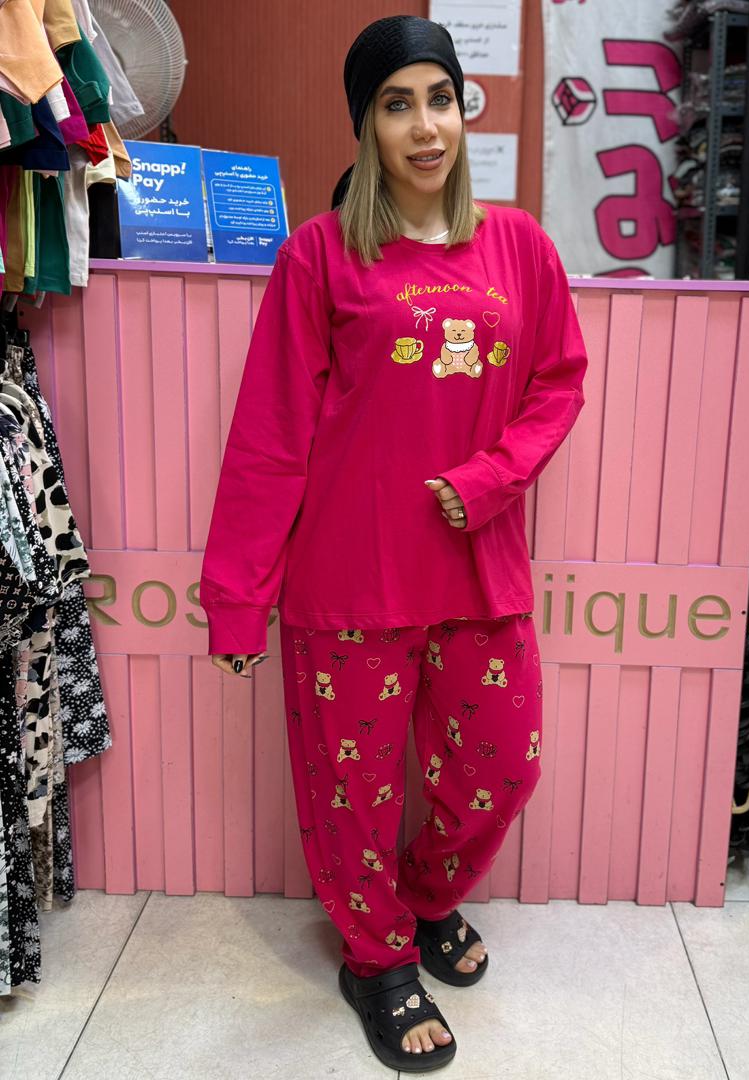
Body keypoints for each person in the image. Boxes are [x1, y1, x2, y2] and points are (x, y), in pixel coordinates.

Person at [200, 14, 588, 1074]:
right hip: (348, 581)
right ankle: (375, 959)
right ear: (365, 125)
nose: (426, 126)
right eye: (396, 104)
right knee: (352, 794)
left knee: (503, 766)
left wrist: (491, 479)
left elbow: (558, 382)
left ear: (464, 109)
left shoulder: (521, 247)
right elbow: (270, 437)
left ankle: (418, 900)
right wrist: (238, 597)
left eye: (440, 99)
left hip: (477, 568)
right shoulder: (319, 256)